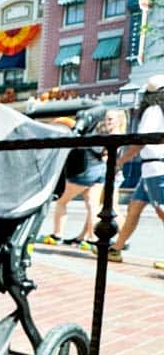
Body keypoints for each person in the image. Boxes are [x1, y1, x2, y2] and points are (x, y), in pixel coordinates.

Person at [98, 75, 164, 267]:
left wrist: (120, 161)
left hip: (155, 167)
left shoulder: (152, 110)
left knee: (162, 212)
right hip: (151, 169)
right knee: (134, 208)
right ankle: (116, 249)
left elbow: (142, 141)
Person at [42, 113, 115, 249]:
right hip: (99, 170)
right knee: (92, 206)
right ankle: (91, 238)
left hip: (83, 172)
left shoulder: (81, 133)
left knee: (61, 201)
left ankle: (57, 235)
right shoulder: (103, 134)